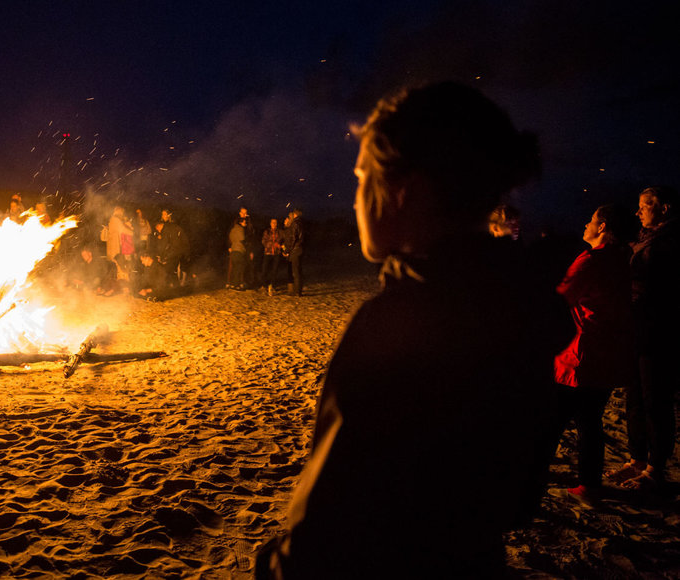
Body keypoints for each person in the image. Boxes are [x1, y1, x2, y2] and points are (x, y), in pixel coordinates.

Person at [256, 81, 573, 578]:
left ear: (405, 192)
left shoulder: (401, 324)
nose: (357, 201)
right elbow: (515, 498)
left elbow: (328, 533)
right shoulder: (522, 304)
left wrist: (271, 563)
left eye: (362, 179)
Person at [552, 204, 635, 501]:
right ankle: (589, 484)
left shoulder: (591, 259)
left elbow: (562, 298)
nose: (586, 224)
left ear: (602, 228)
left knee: (553, 420)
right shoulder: (622, 258)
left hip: (580, 356)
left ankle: (531, 479)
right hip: (607, 353)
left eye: (591, 220)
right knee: (590, 420)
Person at [607, 186, 680, 491]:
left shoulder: (672, 242)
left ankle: (655, 467)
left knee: (655, 399)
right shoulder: (641, 239)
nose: (638, 212)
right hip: (635, 328)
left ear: (664, 207)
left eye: (644, 206)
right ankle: (637, 458)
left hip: (658, 330)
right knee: (633, 396)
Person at [261, 218, 285, 296]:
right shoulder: (267, 231)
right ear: (270, 223)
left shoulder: (280, 232)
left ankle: (272, 285)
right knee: (265, 269)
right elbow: (264, 241)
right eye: (273, 222)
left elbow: (282, 240)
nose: (274, 224)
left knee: (274, 270)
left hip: (276, 253)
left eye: (275, 223)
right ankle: (264, 285)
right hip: (268, 253)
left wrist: (280, 246)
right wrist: (272, 244)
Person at [283, 208, 303, 295]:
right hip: (299, 249)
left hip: (295, 250)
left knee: (295, 272)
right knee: (297, 270)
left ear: (295, 214)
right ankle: (297, 290)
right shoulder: (301, 223)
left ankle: (297, 291)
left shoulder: (295, 223)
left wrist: (287, 250)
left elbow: (293, 238)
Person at [227, 216, 248, 290]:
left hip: (233, 250)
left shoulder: (233, 229)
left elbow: (230, 238)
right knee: (239, 268)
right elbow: (242, 238)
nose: (245, 223)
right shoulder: (241, 229)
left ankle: (232, 284)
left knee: (235, 268)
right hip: (239, 250)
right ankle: (237, 285)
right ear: (241, 222)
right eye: (244, 222)